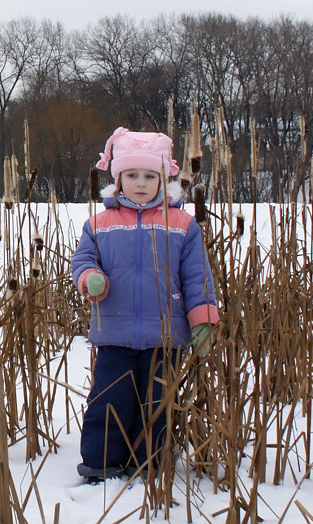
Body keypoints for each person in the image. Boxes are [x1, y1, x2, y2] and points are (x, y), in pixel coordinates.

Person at [72, 126, 219, 482]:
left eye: (150, 176)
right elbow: (83, 260)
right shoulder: (99, 224)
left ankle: (149, 463)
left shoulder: (182, 224)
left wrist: (202, 320)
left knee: (156, 406)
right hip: (114, 334)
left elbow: (197, 276)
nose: (141, 183)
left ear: (163, 178)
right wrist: (90, 278)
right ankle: (101, 463)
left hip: (164, 337)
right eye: (132, 175)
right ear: (118, 178)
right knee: (109, 401)